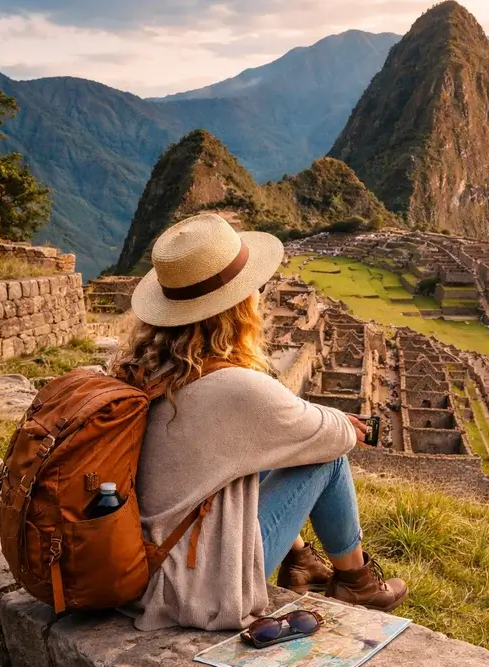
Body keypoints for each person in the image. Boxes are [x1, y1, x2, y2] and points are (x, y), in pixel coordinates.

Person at [112, 213, 408, 632]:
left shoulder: (143, 367)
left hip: (139, 563)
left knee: (269, 451)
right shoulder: (237, 388)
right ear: (238, 306)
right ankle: (356, 582)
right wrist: (342, 422)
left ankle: (302, 562)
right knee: (326, 460)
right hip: (195, 587)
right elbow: (335, 438)